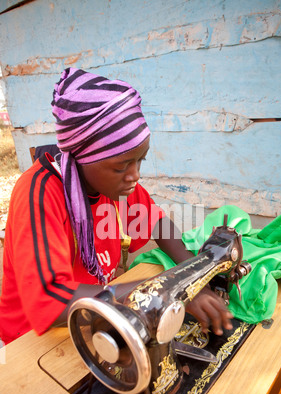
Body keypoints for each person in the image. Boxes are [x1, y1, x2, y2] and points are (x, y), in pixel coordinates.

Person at [0, 67, 232, 345]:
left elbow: (156, 222)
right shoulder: (38, 194)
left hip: (91, 320)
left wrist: (193, 274)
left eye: (139, 161)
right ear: (82, 157)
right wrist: (164, 290)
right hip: (31, 341)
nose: (135, 175)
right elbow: (50, 301)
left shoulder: (116, 187)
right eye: (122, 165)